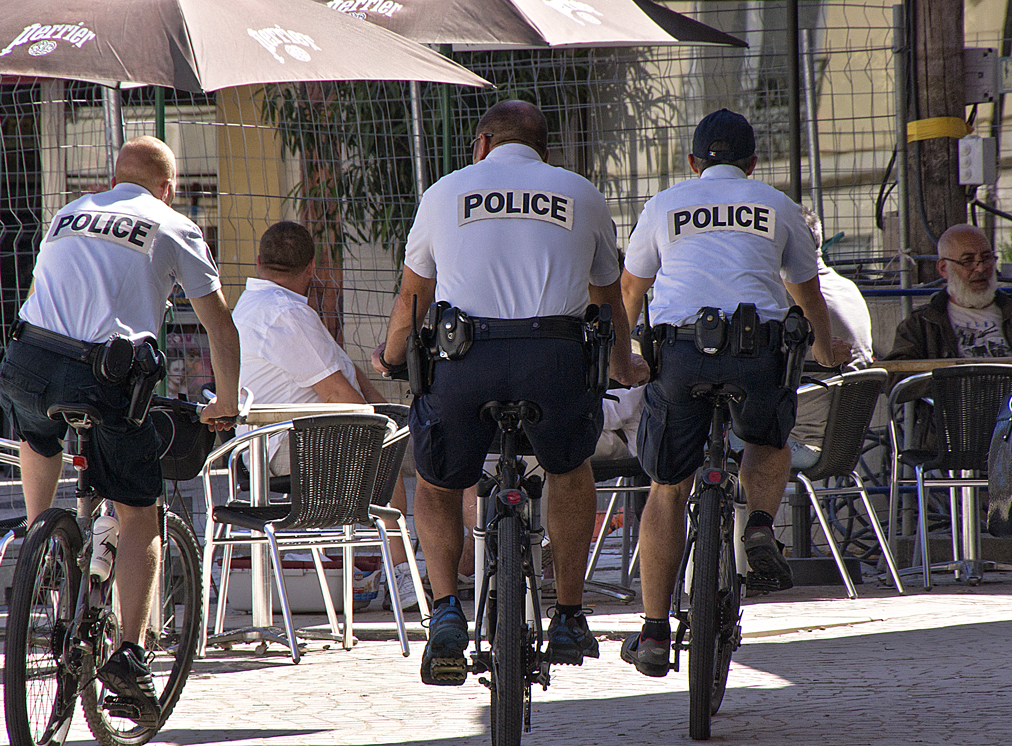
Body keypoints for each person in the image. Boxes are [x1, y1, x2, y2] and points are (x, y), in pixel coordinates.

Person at [372, 100, 648, 685]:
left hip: (465, 359)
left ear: (482, 144)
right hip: (555, 360)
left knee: (439, 480)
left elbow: (412, 296)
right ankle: (570, 614)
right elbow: (607, 299)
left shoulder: (446, 192)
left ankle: (446, 613)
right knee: (570, 469)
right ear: (544, 153)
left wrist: (393, 355)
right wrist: (624, 364)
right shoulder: (579, 193)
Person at [0, 136, 241, 727]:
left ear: (113, 179)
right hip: (104, 379)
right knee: (138, 513)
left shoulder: (66, 213)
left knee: (39, 434)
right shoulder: (173, 224)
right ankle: (130, 656)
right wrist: (227, 402)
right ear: (169, 185)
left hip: (26, 363)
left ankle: (41, 545)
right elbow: (219, 324)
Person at [619, 109, 850, 678]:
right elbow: (806, 291)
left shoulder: (664, 205)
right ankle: (762, 527)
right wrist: (824, 345)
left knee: (667, 487)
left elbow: (630, 286)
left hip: (679, 352)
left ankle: (652, 630)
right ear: (752, 164)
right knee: (767, 440)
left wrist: (622, 355)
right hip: (756, 353)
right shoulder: (777, 206)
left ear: (694, 163)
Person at [231, 220, 420, 611]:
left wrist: (385, 412)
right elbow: (338, 393)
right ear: (312, 267)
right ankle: (403, 574)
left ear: (258, 260)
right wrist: (384, 427)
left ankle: (394, 568)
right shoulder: (284, 313)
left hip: (274, 441)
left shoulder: (259, 304)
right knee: (385, 454)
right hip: (284, 447)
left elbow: (340, 371)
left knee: (386, 437)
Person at [786, 207, 874, 469]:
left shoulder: (787, 298)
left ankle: (740, 511)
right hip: (842, 445)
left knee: (702, 440)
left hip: (798, 443)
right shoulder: (848, 288)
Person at [885, 224, 1012, 362]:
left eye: (987, 258)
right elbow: (899, 377)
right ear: (944, 268)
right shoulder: (919, 326)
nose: (980, 268)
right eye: (968, 260)